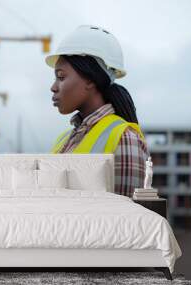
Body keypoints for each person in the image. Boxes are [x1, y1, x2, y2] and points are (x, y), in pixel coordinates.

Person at [46, 25, 150, 197]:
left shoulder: (124, 139)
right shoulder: (63, 140)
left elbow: (126, 219)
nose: (53, 87)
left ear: (90, 80)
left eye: (61, 77)